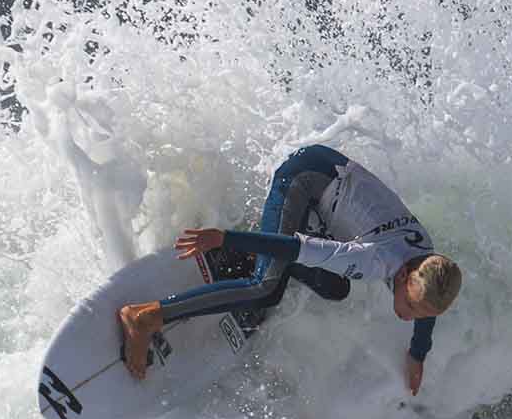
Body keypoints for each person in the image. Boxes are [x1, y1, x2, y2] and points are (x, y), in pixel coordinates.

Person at [118, 144, 462, 395]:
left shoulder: (426, 261)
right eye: (411, 307)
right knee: (266, 288)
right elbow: (298, 248)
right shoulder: (374, 261)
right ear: (403, 276)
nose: (409, 316)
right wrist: (225, 238)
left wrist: (418, 354)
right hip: (304, 176)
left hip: (330, 186)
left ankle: (264, 256)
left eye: (418, 311)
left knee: (335, 288)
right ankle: (147, 316)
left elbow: (429, 300)